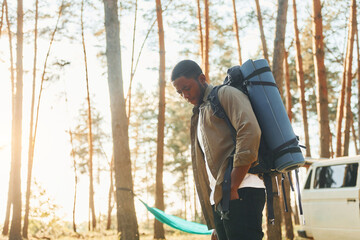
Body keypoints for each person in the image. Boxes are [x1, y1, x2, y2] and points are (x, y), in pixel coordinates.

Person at [171, 60, 266, 240]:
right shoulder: (200, 113)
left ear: (201, 78)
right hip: (223, 197)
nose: (184, 95)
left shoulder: (225, 94)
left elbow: (250, 131)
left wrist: (233, 186)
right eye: (179, 92)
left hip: (243, 189)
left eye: (187, 88)